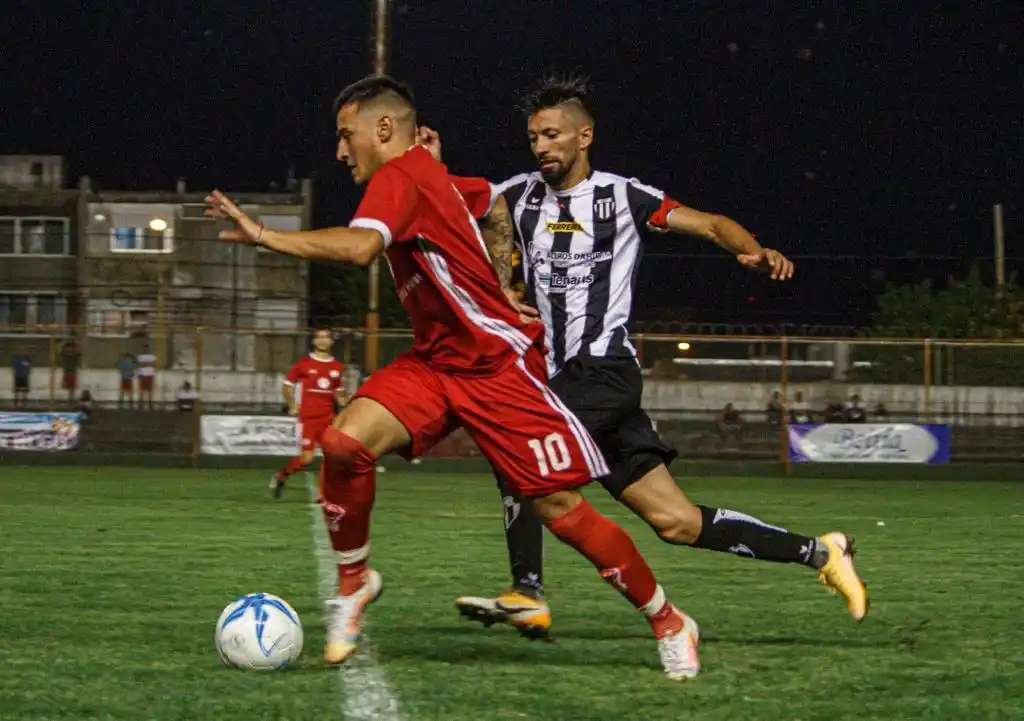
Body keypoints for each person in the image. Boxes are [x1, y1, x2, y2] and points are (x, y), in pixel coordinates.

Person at [205, 75, 698, 680]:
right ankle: (354, 584)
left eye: (345, 135)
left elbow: (361, 249)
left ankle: (669, 620)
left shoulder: (403, 175)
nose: (339, 152)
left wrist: (262, 235)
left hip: (497, 369)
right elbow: (492, 200)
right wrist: (502, 274)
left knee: (561, 509)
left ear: (382, 129)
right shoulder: (425, 173)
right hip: (436, 364)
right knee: (343, 442)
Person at [418, 75, 868, 649]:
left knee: (519, 450)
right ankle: (822, 552)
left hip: (602, 374)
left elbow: (707, 223)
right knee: (676, 522)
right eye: (533, 137)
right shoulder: (519, 195)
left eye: (552, 135)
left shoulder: (622, 196)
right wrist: (430, 167)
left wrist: (749, 250)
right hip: (561, 381)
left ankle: (527, 592)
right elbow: (453, 213)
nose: (540, 147)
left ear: (585, 136)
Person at [270, 328, 347, 498]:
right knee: (307, 459)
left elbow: (339, 392)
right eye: (319, 337)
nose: (322, 341)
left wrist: (347, 403)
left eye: (326, 337)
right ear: (314, 341)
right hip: (308, 418)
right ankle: (281, 476)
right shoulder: (303, 364)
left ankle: (324, 494)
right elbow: (287, 386)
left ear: (331, 341)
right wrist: (292, 404)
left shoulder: (336, 367)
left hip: (328, 418)